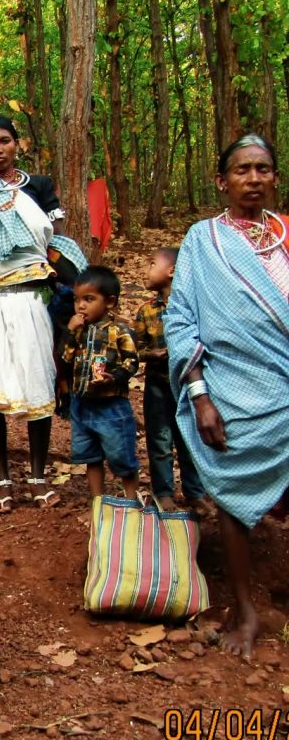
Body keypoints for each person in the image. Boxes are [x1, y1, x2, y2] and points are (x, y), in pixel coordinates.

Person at [165, 134, 289, 660]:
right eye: (242, 170)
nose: (253, 178)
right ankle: (244, 610)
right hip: (231, 389)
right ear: (222, 180)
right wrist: (199, 395)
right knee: (232, 498)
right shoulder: (202, 240)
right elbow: (181, 318)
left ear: (275, 178)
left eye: (263, 169)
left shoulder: (285, 236)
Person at [0, 115, 84, 512]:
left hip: (33, 298)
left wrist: (75, 296)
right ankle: (2, 478)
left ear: (17, 145)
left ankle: (39, 477)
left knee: (36, 382)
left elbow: (57, 244)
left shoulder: (39, 187)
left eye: (4, 141)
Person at [133, 247, 205, 513]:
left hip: (187, 385)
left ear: (172, 271)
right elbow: (135, 350)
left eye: (152, 264)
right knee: (160, 441)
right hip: (157, 384)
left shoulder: (192, 307)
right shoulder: (146, 312)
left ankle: (195, 494)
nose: (146, 269)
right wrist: (151, 354)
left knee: (189, 439)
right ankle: (164, 492)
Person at [61, 266, 139, 499]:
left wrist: (113, 377)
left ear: (110, 302)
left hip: (111, 406)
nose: (81, 306)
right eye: (77, 300)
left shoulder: (119, 332)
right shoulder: (79, 331)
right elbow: (66, 358)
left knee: (121, 456)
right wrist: (70, 332)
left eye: (89, 299)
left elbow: (131, 362)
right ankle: (98, 504)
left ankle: (131, 502)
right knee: (90, 456)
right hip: (82, 405)